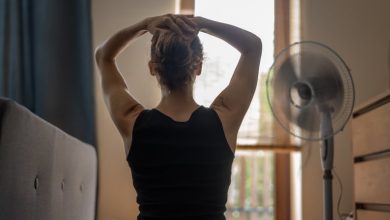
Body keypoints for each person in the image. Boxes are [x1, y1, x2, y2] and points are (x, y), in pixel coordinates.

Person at [95, 14, 262, 220]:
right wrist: (201, 23)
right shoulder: (224, 117)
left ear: (152, 68)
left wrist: (145, 24)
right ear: (199, 67)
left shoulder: (131, 120)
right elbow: (253, 46)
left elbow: (103, 56)